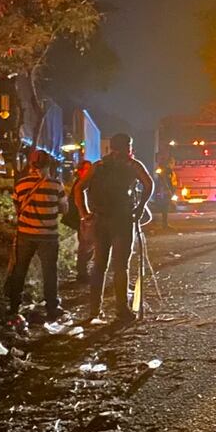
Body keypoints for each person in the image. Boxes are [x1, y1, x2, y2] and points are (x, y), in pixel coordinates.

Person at [77, 133, 154, 321]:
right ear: (128, 146)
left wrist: (84, 213)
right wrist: (141, 206)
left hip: (100, 220)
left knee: (99, 266)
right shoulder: (133, 165)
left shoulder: (98, 166)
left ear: (111, 147)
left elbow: (79, 188)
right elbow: (149, 184)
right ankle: (122, 310)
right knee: (121, 267)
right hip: (122, 220)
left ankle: (94, 310)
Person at [5, 150, 68, 321]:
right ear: (48, 165)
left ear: (30, 166)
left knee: (20, 270)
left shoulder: (20, 184)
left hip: (25, 234)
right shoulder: (56, 185)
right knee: (49, 272)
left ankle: (13, 305)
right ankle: (52, 307)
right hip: (49, 236)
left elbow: (17, 207)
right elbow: (64, 209)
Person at [62, 159, 96, 284]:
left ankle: (83, 271)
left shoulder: (87, 183)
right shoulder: (80, 185)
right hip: (83, 220)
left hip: (86, 219)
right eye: (86, 169)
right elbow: (74, 204)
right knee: (85, 246)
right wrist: (84, 216)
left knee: (88, 246)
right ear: (81, 171)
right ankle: (82, 273)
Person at [152, 158, 179, 231]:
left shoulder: (166, 171)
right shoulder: (168, 171)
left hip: (167, 191)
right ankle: (165, 224)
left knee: (166, 208)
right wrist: (169, 191)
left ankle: (165, 224)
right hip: (166, 192)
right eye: (173, 163)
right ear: (170, 163)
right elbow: (167, 182)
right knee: (165, 208)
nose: (173, 165)